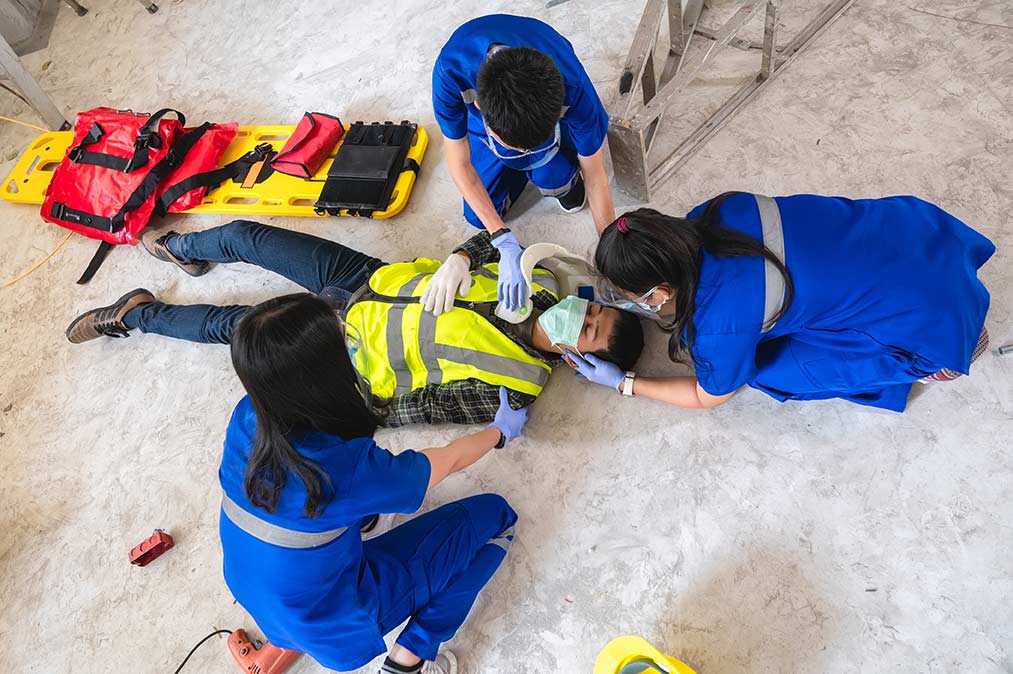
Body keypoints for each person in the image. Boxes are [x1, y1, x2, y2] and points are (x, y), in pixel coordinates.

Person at [65, 221, 643, 426]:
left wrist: (334, 388)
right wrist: (464, 258)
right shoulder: (539, 283)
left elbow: (408, 411)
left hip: (345, 346)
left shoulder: (516, 384)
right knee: (249, 237)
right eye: (594, 308)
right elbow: (493, 240)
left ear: (578, 359)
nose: (582, 313)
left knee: (232, 327)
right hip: (368, 278)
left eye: (588, 328)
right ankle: (180, 248)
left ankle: (136, 315)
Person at [219, 292, 528, 674]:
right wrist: (498, 432)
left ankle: (292, 635)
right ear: (322, 375)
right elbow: (444, 463)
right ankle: (408, 660)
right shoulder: (342, 471)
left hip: (261, 593)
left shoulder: (246, 417)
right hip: (338, 625)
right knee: (497, 518)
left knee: (347, 521)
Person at [567, 192, 994, 412]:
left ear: (658, 294)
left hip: (931, 328)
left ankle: (930, 361)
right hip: (927, 238)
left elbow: (708, 397)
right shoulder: (717, 209)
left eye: (634, 297)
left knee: (768, 369)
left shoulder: (718, 326)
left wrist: (624, 384)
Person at [431, 14, 615, 314]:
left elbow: (595, 175)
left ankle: (553, 166)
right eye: (514, 146)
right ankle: (520, 161)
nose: (522, 152)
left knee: (555, 177)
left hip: (538, 125)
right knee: (479, 217)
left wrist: (611, 256)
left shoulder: (574, 87)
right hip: (490, 129)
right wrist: (502, 240)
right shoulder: (451, 72)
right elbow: (459, 162)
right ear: (478, 106)